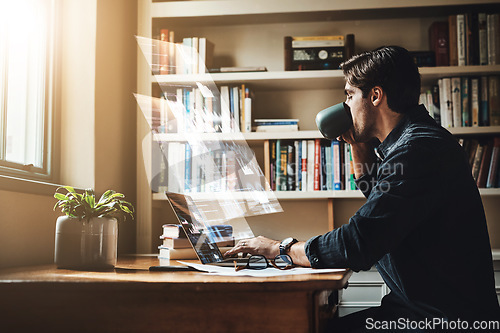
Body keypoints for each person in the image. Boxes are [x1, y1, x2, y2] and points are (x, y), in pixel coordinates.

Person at [225, 46, 500, 331]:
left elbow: (360, 242)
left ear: (375, 96)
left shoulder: (419, 149)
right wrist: (358, 145)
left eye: (349, 95)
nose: (346, 106)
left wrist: (279, 247)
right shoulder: (412, 143)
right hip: (418, 310)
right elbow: (384, 208)